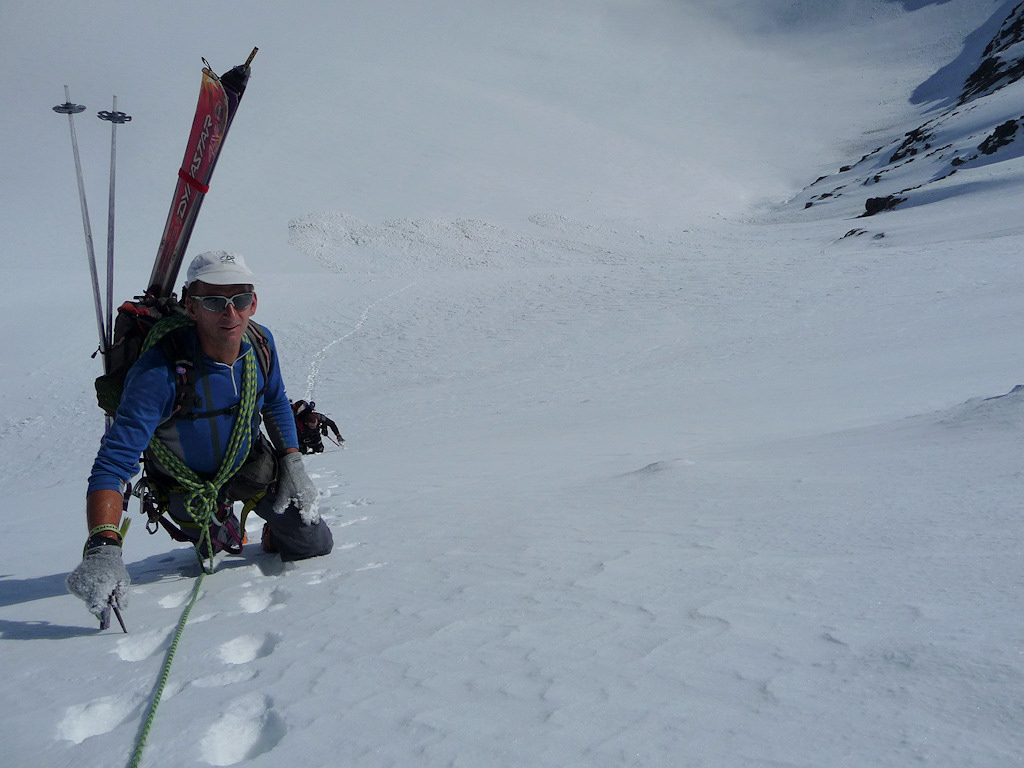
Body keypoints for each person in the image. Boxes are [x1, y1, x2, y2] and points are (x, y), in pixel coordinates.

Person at [67, 251, 333, 622]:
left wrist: (291, 461)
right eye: (214, 301)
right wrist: (103, 547)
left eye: (240, 300)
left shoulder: (260, 345)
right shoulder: (157, 374)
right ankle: (216, 525)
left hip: (247, 466)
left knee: (314, 543)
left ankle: (266, 531)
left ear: (253, 303)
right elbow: (112, 465)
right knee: (214, 543)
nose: (230, 313)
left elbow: (272, 402)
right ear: (192, 307)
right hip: (184, 488)